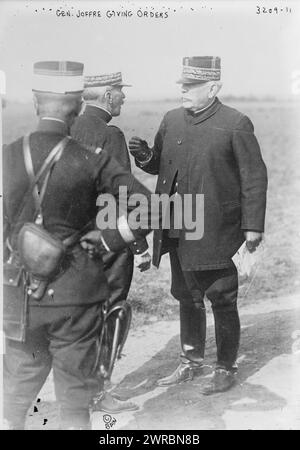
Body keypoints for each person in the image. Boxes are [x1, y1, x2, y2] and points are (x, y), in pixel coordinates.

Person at [3, 60, 154, 429]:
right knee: (74, 399)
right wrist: (108, 238)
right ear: (75, 105)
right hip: (78, 295)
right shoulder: (92, 160)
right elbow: (149, 208)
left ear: (36, 101)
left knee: (16, 392)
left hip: (18, 295)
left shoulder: (6, 155)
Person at [129, 56, 268, 394]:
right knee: (187, 297)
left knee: (221, 298)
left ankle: (225, 367)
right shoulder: (172, 119)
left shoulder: (235, 122)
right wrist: (145, 156)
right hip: (177, 223)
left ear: (213, 87)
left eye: (190, 86)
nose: (183, 91)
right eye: (182, 85)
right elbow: (161, 165)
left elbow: (254, 177)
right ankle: (190, 362)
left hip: (218, 229)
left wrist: (253, 227)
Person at [71, 71, 151, 412]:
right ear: (106, 96)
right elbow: (124, 196)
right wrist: (139, 245)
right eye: (119, 93)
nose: (123, 98)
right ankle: (99, 393)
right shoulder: (110, 134)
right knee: (111, 314)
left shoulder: (68, 129)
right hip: (110, 243)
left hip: (73, 244)